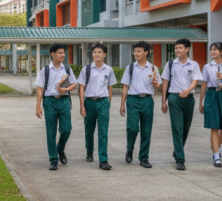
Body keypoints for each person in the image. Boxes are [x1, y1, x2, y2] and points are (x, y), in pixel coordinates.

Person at [161, 38, 204, 171]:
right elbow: (165, 82)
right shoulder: (170, 64)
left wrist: (188, 90)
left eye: (180, 48)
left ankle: (177, 151)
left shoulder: (194, 64)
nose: (177, 50)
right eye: (176, 48)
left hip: (189, 98)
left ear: (187, 49)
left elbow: (195, 81)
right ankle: (180, 159)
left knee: (185, 129)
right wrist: (164, 101)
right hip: (174, 98)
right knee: (177, 129)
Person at [120, 41, 162, 169]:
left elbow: (158, 86)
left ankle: (144, 158)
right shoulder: (130, 68)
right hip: (133, 100)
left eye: (139, 51)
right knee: (132, 128)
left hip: (147, 100)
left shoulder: (153, 68)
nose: (136, 53)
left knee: (146, 130)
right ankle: (130, 149)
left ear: (146, 52)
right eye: (135, 51)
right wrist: (122, 104)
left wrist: (155, 83)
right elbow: (125, 87)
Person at [35, 43, 77, 170]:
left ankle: (60, 149)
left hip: (64, 100)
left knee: (66, 129)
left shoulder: (67, 69)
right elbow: (40, 89)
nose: (63, 55)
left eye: (63, 53)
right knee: (51, 132)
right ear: (52, 54)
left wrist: (65, 90)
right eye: (60, 53)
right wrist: (38, 106)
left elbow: (74, 84)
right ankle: (53, 160)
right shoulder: (45, 70)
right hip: (50, 101)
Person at [77, 43, 117, 171]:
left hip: (103, 102)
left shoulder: (109, 70)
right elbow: (81, 87)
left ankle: (103, 160)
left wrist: (108, 102)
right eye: (94, 52)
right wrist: (82, 105)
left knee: (103, 132)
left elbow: (110, 87)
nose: (96, 54)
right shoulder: (87, 69)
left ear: (104, 54)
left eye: (99, 52)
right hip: (89, 102)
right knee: (89, 130)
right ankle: (89, 151)